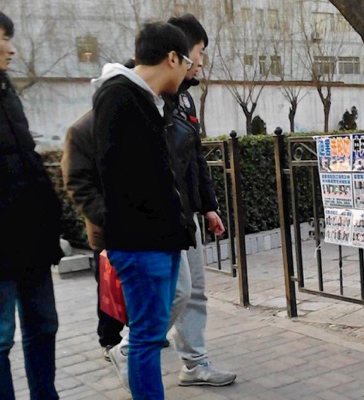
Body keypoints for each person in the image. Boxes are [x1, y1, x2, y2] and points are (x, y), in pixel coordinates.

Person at [108, 14, 236, 390]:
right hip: (157, 224)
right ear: (175, 55)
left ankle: (193, 363)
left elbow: (193, 155)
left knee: (192, 291)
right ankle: (131, 346)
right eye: (198, 53)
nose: (200, 62)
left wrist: (208, 204)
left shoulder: (182, 98)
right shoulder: (135, 96)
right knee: (173, 296)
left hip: (184, 213)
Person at [92, 21, 195, 400]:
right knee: (147, 339)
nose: (188, 73)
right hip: (141, 242)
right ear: (172, 58)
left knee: (151, 336)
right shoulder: (118, 96)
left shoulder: (147, 99)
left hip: (161, 238)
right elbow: (121, 178)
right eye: (187, 63)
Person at [0, 8, 64, 399]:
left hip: (31, 241)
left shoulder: (5, 92)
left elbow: (29, 160)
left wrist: (52, 217)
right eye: (3, 37)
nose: (11, 48)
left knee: (44, 326)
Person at [61, 111, 125, 362]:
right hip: (107, 229)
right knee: (109, 287)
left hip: (142, 226)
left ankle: (138, 336)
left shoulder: (135, 118)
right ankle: (110, 339)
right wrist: (106, 217)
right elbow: (77, 181)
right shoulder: (84, 128)